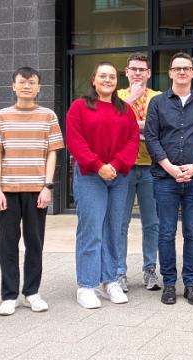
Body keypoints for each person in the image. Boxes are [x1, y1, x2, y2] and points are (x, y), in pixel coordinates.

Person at [0, 67, 64, 316]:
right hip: (8, 190)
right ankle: (9, 295)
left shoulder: (48, 116)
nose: (27, 86)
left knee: (35, 242)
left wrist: (47, 186)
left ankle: (32, 292)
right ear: (13, 86)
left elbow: (52, 153)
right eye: (22, 82)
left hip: (36, 190)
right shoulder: (1, 116)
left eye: (32, 82)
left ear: (39, 87)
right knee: (7, 243)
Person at [67, 62, 140, 309]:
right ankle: (86, 285)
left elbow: (132, 141)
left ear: (116, 82)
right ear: (94, 80)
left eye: (111, 77)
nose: (107, 80)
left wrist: (116, 165)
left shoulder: (125, 110)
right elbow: (75, 141)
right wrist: (98, 165)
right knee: (91, 230)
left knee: (113, 229)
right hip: (90, 177)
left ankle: (110, 281)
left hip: (118, 178)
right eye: (102, 76)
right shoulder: (80, 107)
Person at [145, 52, 193, 305]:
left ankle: (190, 284)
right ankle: (169, 284)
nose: (182, 72)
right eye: (177, 68)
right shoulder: (157, 103)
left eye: (187, 68)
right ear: (171, 73)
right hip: (165, 178)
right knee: (165, 232)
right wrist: (170, 167)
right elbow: (151, 138)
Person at [117, 53, 162, 292]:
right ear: (126, 72)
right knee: (120, 222)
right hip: (123, 168)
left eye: (141, 69)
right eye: (133, 69)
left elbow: (161, 129)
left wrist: (132, 126)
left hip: (151, 168)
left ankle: (150, 270)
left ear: (148, 73)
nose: (137, 73)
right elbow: (113, 127)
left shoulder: (159, 98)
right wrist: (130, 104)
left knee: (152, 223)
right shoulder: (118, 97)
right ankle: (119, 272)